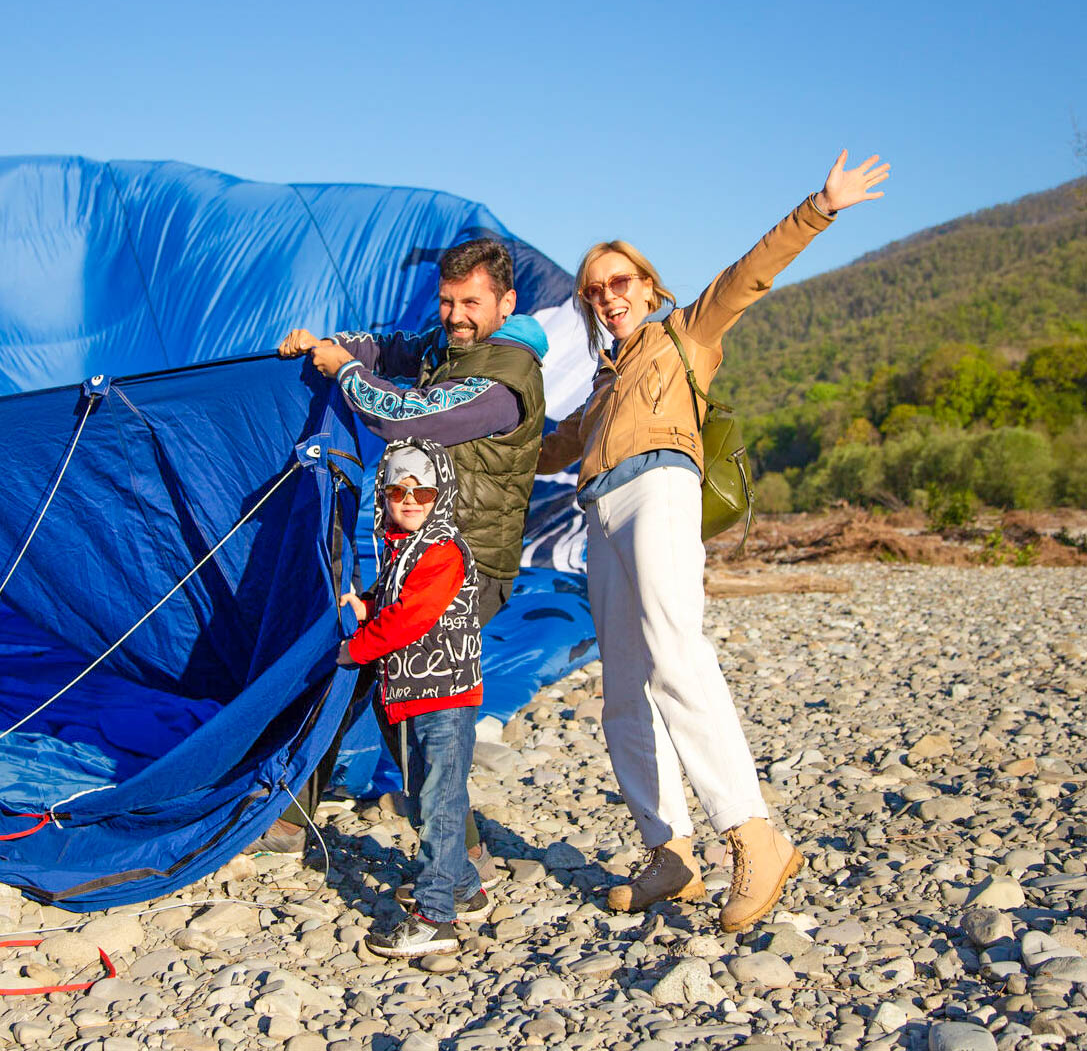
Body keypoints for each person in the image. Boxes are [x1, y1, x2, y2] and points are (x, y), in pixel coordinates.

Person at [537, 151, 890, 931]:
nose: (607, 296)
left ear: (648, 287)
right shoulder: (600, 386)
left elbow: (746, 275)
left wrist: (819, 205)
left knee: (674, 655)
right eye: (594, 289)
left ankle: (754, 834)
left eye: (619, 281)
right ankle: (670, 852)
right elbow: (548, 449)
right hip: (598, 514)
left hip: (660, 489)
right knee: (622, 690)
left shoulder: (685, 334)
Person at [263, 239, 546, 870]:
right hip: (417, 556)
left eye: (470, 302)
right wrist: (330, 344)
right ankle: (292, 816)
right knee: (365, 662)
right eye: (447, 301)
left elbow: (403, 416)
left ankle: (455, 854)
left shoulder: (506, 380)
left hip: (469, 566)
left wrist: (342, 371)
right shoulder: (445, 345)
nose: (454, 315)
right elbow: (392, 346)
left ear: (506, 303)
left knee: (405, 684)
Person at [337, 439, 489, 958]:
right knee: (429, 796)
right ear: (383, 493)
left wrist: (355, 650)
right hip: (411, 694)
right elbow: (391, 598)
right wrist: (365, 604)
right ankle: (464, 888)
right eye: (398, 489)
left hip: (444, 696)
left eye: (422, 490)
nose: (410, 499)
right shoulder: (404, 548)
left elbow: (410, 617)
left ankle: (434, 917)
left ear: (440, 494)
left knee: (441, 802)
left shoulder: (442, 548)